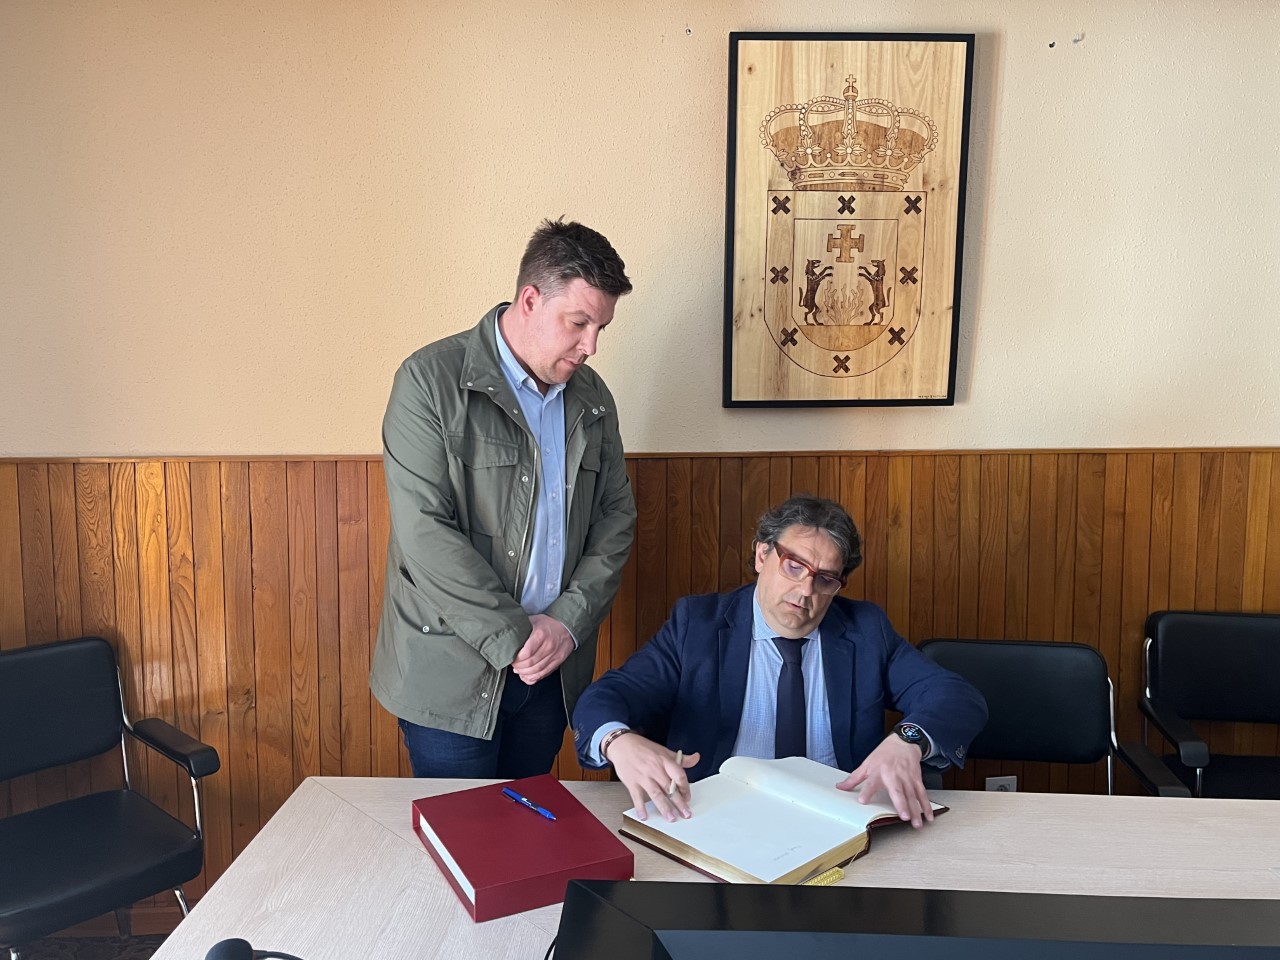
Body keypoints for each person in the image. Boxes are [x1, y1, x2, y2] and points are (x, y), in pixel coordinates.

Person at [372, 218, 637, 779]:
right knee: (464, 847)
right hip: (450, 670)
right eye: (579, 322)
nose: (590, 345)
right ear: (531, 300)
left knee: (529, 836)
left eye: (601, 329)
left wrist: (565, 624)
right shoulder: (428, 381)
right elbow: (425, 533)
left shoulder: (592, 397)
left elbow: (616, 519)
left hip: (549, 671)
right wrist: (515, 638)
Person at [572, 494, 987, 826]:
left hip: (834, 820)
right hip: (718, 817)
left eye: (824, 578)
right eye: (794, 566)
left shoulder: (865, 630)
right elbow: (608, 696)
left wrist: (907, 741)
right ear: (761, 556)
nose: (806, 591)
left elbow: (956, 697)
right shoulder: (697, 625)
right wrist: (618, 741)